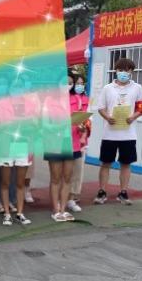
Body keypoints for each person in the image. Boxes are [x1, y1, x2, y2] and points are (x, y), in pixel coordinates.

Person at [94, 58, 142, 205]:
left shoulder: (137, 88)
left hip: (128, 134)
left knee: (126, 164)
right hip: (109, 134)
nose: (124, 73)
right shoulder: (107, 88)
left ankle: (123, 192)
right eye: (121, 70)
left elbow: (141, 108)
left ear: (131, 72)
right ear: (116, 71)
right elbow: (101, 108)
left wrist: (133, 117)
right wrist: (107, 117)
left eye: (127, 70)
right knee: (105, 163)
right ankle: (102, 192)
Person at [0, 75, 32, 226]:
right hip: (6, 144)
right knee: (5, 182)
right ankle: (7, 213)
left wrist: (26, 122)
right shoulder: (1, 103)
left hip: (23, 144)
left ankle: (20, 213)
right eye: (14, 86)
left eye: (19, 86)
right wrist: (10, 122)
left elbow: (35, 123)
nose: (17, 89)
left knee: (20, 182)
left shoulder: (29, 104)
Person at [42, 71, 80, 222]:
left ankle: (63, 209)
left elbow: (80, 119)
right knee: (56, 178)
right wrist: (60, 125)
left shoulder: (76, 99)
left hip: (71, 142)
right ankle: (56, 210)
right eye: (64, 82)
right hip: (54, 142)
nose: (67, 85)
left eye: (70, 83)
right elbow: (45, 125)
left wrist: (82, 126)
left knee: (67, 178)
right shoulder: (49, 100)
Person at [67, 74, 91, 213]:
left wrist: (84, 131)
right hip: (66, 140)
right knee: (64, 172)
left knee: (77, 171)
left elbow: (88, 120)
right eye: (77, 83)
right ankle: (61, 198)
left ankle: (72, 198)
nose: (80, 86)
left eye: (82, 83)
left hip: (81, 141)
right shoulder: (66, 99)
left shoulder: (86, 100)